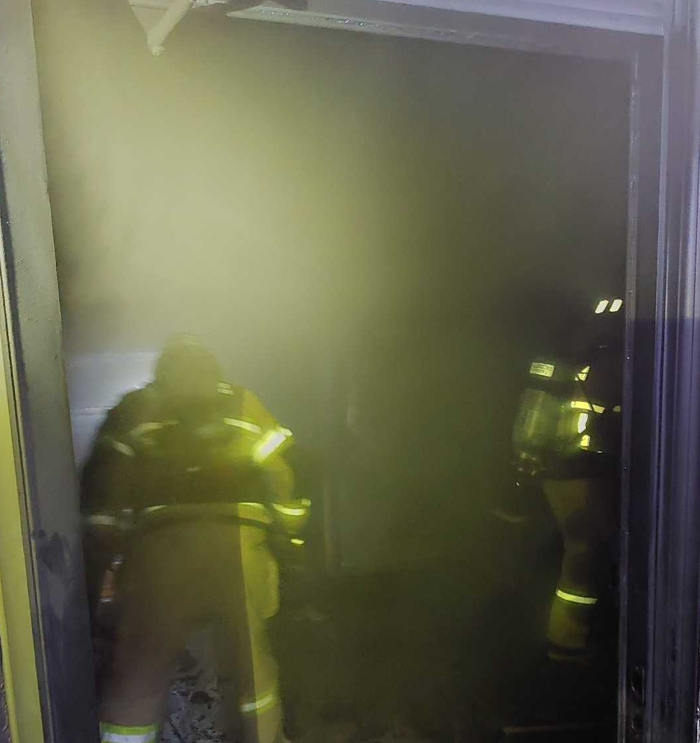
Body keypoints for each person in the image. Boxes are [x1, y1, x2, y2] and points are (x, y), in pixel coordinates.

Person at [81, 334, 309, 743]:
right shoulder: (245, 403)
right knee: (253, 670)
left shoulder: (135, 408)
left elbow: (105, 490)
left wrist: (99, 565)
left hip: (161, 549)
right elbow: (280, 474)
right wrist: (289, 539)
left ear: (162, 371)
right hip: (241, 546)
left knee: (140, 670)